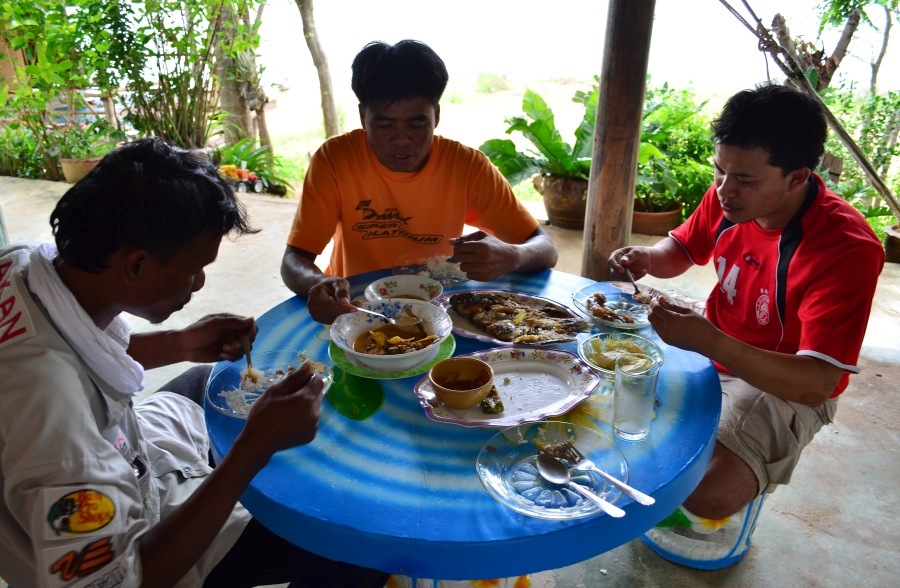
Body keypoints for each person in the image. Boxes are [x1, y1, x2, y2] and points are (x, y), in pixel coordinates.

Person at [0, 138, 389, 587]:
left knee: (209, 381)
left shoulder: (26, 267)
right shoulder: (58, 433)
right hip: (141, 549)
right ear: (136, 264)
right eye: (193, 268)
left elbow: (78, 354)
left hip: (129, 457)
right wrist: (252, 449)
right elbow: (124, 580)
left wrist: (179, 344)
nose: (200, 282)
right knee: (361, 542)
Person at [609, 83, 885, 569]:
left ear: (798, 176)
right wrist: (648, 257)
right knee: (612, 405)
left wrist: (711, 340)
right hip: (712, 342)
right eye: (719, 171)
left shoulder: (846, 249)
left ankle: (707, 516)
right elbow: (683, 251)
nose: (723, 189)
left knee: (706, 494)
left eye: (743, 179)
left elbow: (818, 383)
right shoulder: (733, 195)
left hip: (787, 381)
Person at [281, 39, 558, 324]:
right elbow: (294, 261)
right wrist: (318, 283)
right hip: (358, 308)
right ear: (363, 116)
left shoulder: (466, 166)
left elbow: (545, 248)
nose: (401, 139)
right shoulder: (336, 159)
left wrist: (512, 255)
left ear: (436, 116)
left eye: (416, 124)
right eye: (385, 125)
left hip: (437, 312)